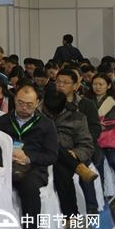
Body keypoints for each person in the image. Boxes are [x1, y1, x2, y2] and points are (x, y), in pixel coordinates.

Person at [0, 85, 58, 229]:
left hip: (34, 169)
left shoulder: (46, 124)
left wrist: (28, 158)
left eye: (29, 104)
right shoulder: (2, 121)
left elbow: (52, 156)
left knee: (29, 189)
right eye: (20, 103)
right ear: (14, 100)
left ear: (37, 102)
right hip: (6, 166)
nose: (24, 107)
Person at [42, 90, 97, 222]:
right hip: (40, 153)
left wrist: (76, 153)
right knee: (52, 144)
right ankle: (79, 168)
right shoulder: (35, 115)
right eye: (49, 112)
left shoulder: (77, 117)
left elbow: (86, 145)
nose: (51, 115)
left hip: (64, 158)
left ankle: (71, 217)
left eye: (55, 113)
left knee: (62, 170)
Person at [92, 73, 115, 177]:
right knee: (97, 161)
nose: (97, 87)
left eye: (101, 84)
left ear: (108, 85)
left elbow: (111, 122)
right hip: (91, 140)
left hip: (107, 140)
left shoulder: (114, 102)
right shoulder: (86, 100)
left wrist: (94, 126)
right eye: (95, 84)